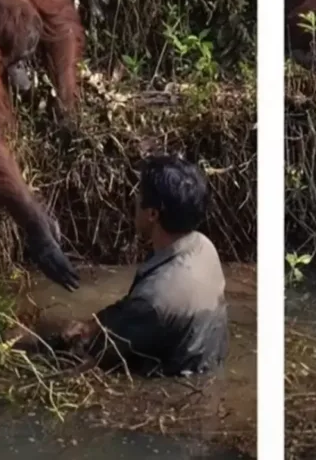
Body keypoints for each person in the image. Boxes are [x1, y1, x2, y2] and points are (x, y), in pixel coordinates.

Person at [58, 154, 229, 375]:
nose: (134, 201)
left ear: (152, 214)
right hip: (207, 365)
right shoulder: (204, 246)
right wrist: (91, 326)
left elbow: (99, 353)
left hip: (172, 391)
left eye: (139, 196)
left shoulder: (154, 299)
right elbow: (131, 310)